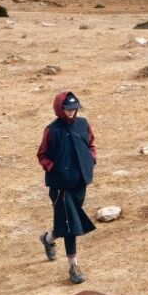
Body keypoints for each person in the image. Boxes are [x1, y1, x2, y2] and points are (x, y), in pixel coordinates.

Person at [36, 91, 96, 284]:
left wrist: (91, 160)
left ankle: (48, 238)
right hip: (60, 186)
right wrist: (54, 169)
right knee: (71, 226)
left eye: (73, 109)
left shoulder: (83, 124)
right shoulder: (51, 130)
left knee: (69, 221)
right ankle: (73, 267)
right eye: (67, 109)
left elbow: (91, 145)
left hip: (79, 182)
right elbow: (42, 155)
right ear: (60, 110)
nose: (71, 113)